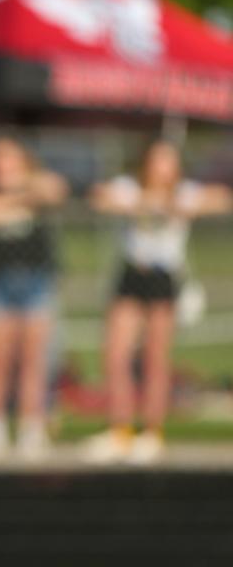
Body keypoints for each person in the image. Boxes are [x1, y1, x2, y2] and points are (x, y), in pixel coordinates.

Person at [85, 140, 232, 464]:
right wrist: (137, 204)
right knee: (117, 353)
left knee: (156, 357)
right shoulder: (131, 188)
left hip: (163, 278)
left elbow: (221, 199)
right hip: (131, 273)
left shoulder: (184, 192)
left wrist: (181, 206)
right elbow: (100, 197)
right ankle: (120, 429)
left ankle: (152, 431)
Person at [0, 136, 68, 460]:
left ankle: (31, 426)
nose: (0, 167)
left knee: (32, 359)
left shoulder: (36, 181)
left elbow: (55, 190)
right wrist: (24, 199)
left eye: (8, 159)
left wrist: (18, 193)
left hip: (36, 279)